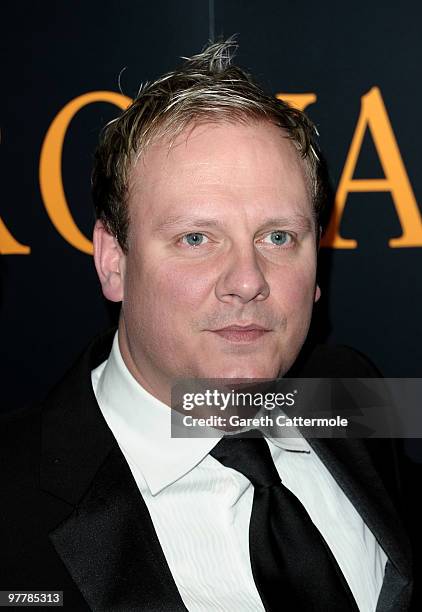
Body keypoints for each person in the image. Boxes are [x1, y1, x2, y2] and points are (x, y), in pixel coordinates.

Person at [0, 40, 413, 611]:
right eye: (196, 238)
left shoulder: (351, 392)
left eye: (278, 237)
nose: (247, 280)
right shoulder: (11, 497)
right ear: (113, 261)